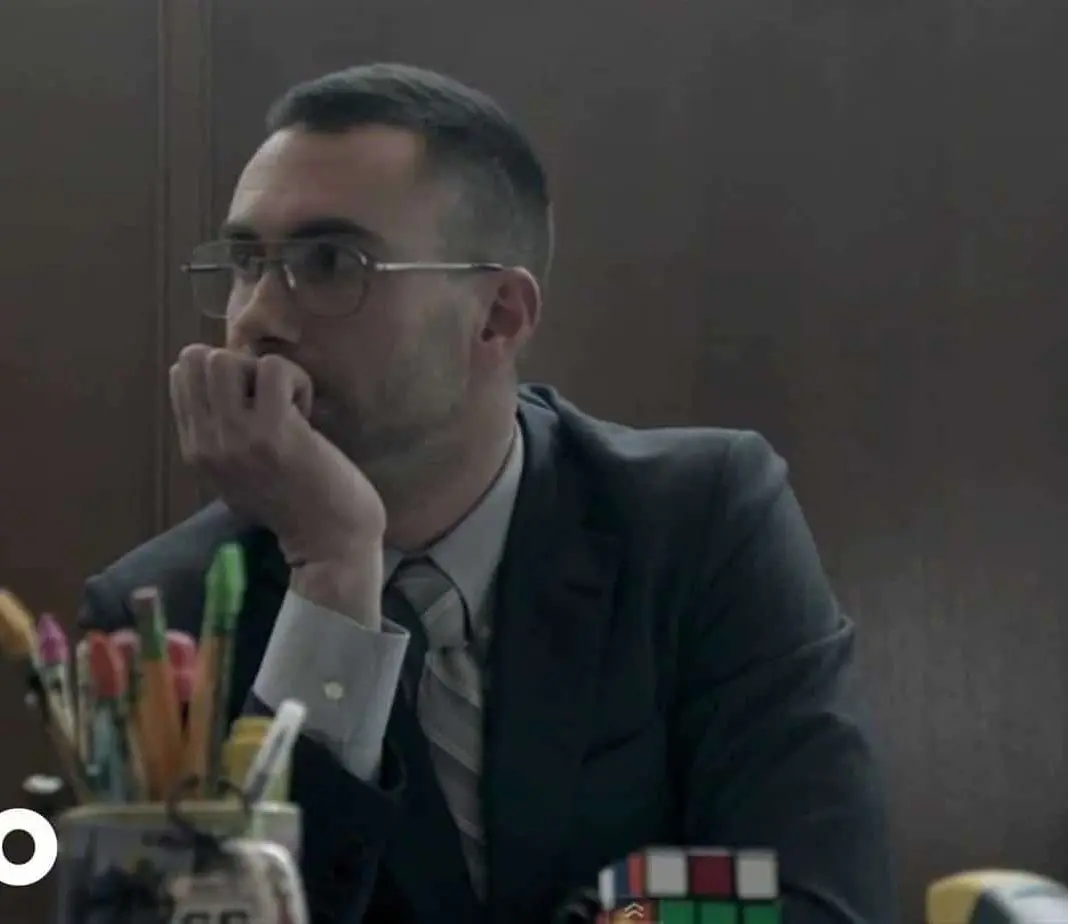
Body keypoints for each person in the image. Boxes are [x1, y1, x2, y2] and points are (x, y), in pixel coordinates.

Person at [81, 63, 895, 924]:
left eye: (329, 263)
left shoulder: (700, 520)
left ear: (499, 315)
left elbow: (810, 896)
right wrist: (332, 572)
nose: (253, 319)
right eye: (248, 263)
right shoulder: (163, 618)